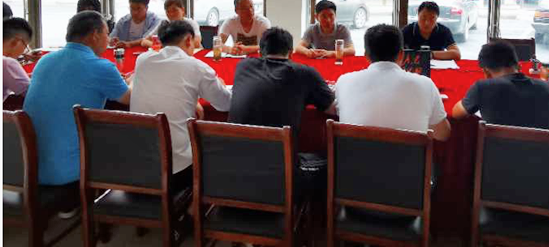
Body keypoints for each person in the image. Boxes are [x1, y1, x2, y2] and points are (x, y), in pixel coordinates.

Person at [24, 11, 131, 186]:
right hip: (69, 171)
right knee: (127, 142)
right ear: (95, 34)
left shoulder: (44, 61)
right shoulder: (100, 66)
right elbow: (129, 98)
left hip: (29, 169)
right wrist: (133, 80)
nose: (109, 39)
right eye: (106, 34)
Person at [228, 27, 336, 197]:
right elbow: (332, 109)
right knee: (333, 161)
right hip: (281, 179)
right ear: (291, 53)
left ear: (260, 51)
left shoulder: (243, 66)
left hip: (234, 173)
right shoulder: (305, 73)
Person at [130, 20, 231, 189]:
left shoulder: (142, 60)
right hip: (176, 170)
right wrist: (219, 85)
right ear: (189, 40)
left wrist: (193, 99)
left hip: (138, 166)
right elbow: (225, 104)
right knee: (218, 147)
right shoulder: (197, 67)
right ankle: (199, 200)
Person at [335, 24, 451, 140]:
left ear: (366, 56)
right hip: (407, 152)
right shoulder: (426, 85)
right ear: (402, 54)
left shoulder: (344, 82)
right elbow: (442, 134)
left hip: (352, 152)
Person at [451, 41, 549, 130]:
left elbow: (457, 113)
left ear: (486, 72)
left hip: (499, 157)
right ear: (519, 66)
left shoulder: (483, 87)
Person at [3, 17, 32, 101]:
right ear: (15, 42)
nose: (24, 52)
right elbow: (33, 94)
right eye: (25, 46)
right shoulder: (7, 63)